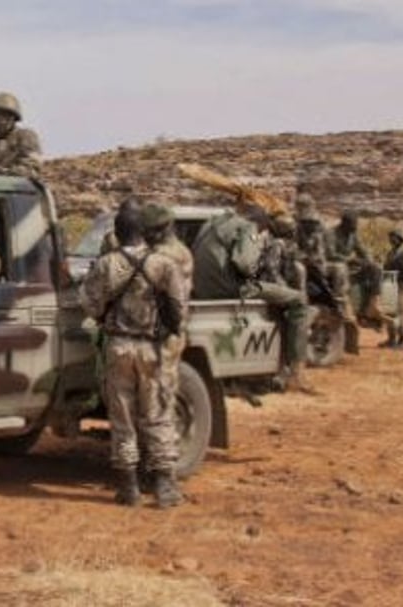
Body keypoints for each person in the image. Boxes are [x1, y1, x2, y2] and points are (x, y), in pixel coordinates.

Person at [80, 206, 188, 508]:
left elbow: (89, 304)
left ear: (117, 231)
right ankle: (165, 486)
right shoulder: (163, 265)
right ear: (143, 231)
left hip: (118, 348)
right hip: (152, 349)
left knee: (123, 418)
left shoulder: (106, 264)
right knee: (157, 414)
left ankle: (129, 488)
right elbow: (179, 308)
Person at [192, 203, 316, 393]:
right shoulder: (248, 227)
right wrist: (258, 250)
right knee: (298, 300)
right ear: (261, 224)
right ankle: (297, 374)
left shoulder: (212, 223)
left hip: (202, 289)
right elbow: (245, 264)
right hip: (230, 288)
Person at [141, 203, 193, 433]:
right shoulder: (161, 251)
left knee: (162, 390)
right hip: (154, 329)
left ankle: (165, 448)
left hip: (166, 332)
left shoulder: (174, 253)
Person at [327, 210, 383, 324]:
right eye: (352, 225)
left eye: (356, 225)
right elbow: (330, 254)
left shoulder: (353, 234)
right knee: (341, 271)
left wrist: (369, 260)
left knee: (376, 268)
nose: (355, 227)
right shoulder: (331, 234)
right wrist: (349, 260)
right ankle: (345, 308)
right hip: (335, 267)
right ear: (344, 224)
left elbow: (362, 250)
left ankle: (373, 304)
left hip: (351, 267)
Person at [381, 229, 403, 349]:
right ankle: (391, 339)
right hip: (389, 282)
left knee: (400, 312)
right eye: (391, 237)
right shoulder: (390, 253)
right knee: (389, 312)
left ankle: (402, 341)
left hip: (400, 283)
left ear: (400, 239)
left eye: (394, 237)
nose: (391, 239)